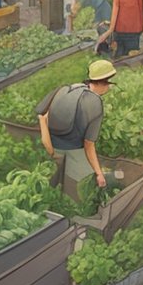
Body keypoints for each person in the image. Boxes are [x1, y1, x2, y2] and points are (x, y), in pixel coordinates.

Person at [38, 59, 116, 195]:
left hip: (52, 147)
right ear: (104, 83)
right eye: (109, 83)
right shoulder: (94, 103)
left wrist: (51, 150)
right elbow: (89, 145)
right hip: (73, 151)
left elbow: (42, 115)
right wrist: (99, 174)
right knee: (82, 188)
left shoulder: (69, 88)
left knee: (52, 187)